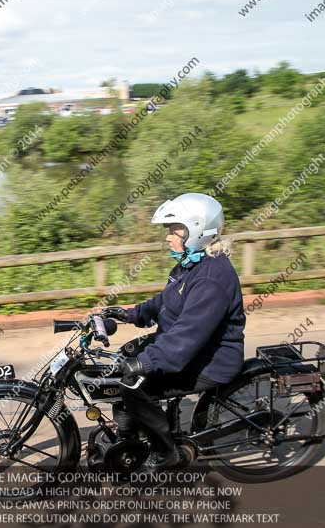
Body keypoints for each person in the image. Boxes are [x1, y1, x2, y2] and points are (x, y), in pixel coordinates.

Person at [101, 193, 246, 472]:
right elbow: (167, 300)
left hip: (210, 360)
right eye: (169, 230)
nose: (168, 237)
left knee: (133, 383)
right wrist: (131, 314)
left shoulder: (211, 278)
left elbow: (187, 336)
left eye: (175, 229)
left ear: (198, 231)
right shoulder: (191, 265)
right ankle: (130, 436)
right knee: (121, 362)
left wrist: (147, 362)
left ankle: (165, 453)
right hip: (189, 348)